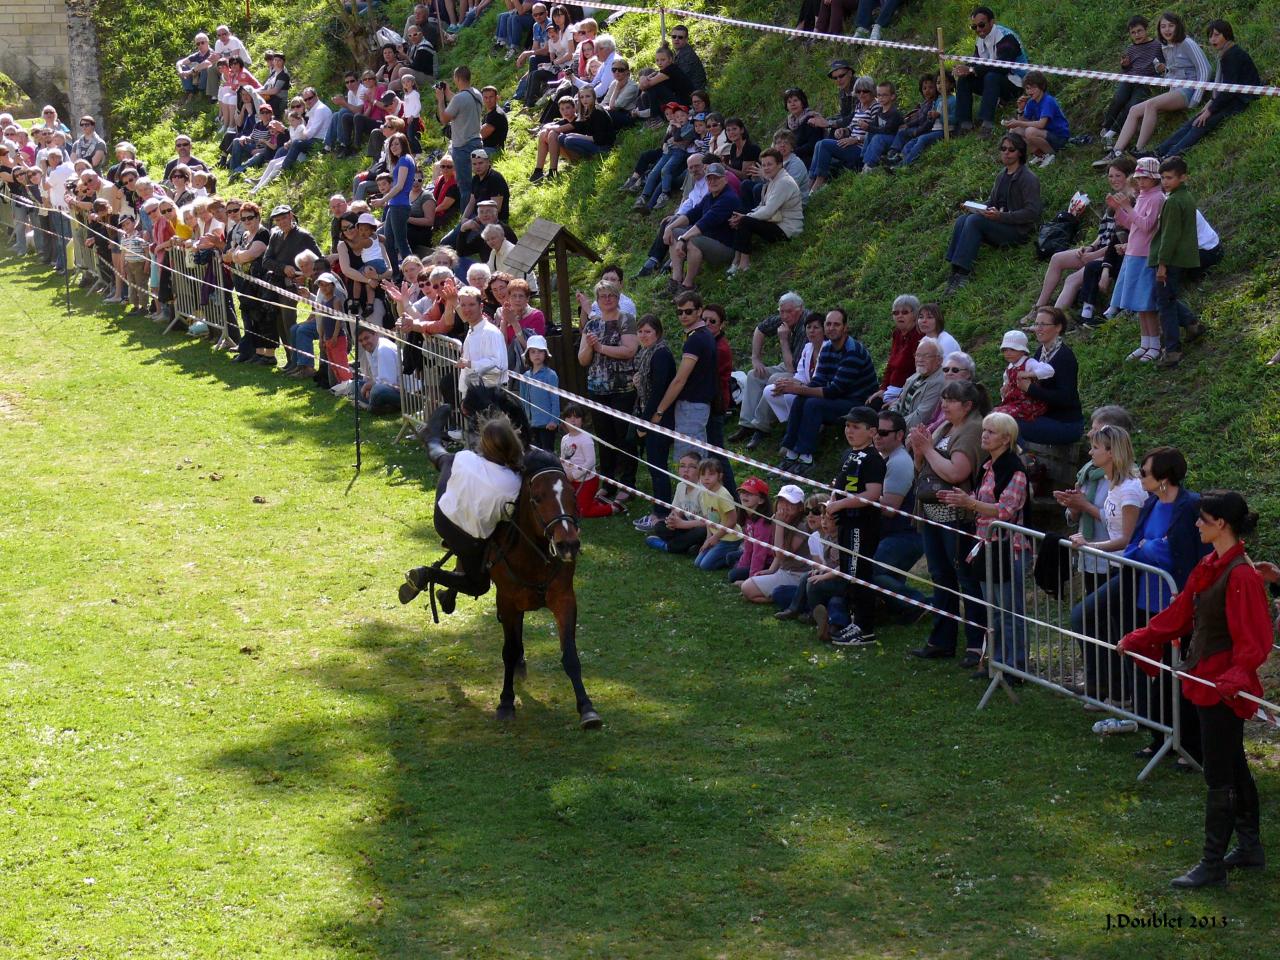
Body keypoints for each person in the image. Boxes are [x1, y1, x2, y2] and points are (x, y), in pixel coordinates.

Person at [1119, 491, 1271, 888]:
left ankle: (1213, 863)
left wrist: (1236, 678)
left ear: (1221, 524)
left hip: (1223, 687)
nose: (1197, 524)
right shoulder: (1210, 565)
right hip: (1206, 678)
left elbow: (1254, 640)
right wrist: (1141, 636)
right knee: (1233, 765)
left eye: (1203, 519)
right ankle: (1250, 848)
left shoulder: (1241, 575)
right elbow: (1180, 612)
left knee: (1220, 774)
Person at [399, 409, 525, 613]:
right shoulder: (513, 485)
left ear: (483, 443)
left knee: (444, 459)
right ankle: (428, 574)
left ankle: (431, 438)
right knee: (478, 584)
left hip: (443, 519)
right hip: (470, 539)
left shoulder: (465, 458)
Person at [938, 411, 1029, 674]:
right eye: (984, 430)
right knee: (995, 611)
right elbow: (984, 501)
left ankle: (1016, 666)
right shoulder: (988, 467)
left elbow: (1006, 510)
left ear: (1006, 438)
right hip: (987, 545)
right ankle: (997, 662)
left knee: (1010, 611)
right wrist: (962, 499)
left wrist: (971, 503)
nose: (984, 435)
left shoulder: (1015, 469)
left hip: (1009, 548)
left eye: (990, 431)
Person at [908, 380, 991, 666]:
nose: (944, 404)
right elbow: (926, 470)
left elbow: (957, 472)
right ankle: (941, 640)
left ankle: (976, 644)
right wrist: (920, 453)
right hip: (933, 514)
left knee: (966, 581)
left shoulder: (973, 429)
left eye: (951, 400)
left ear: (968, 405)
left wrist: (926, 449)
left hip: (958, 518)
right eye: (943, 399)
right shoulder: (944, 427)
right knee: (940, 577)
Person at [1066, 423, 1145, 703]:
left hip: (1130, 570)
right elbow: (1111, 522)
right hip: (1115, 567)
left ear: (1111, 453)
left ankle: (1129, 695)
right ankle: (1116, 690)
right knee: (1112, 628)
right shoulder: (1114, 486)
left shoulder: (1131, 490)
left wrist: (1090, 546)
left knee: (1086, 617)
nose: (1090, 452)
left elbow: (1126, 538)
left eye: (1096, 448)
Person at [1028, 156, 1136, 323]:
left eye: (1118, 175)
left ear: (1129, 176)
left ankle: (1052, 321)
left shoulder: (1131, 202)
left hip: (1114, 253)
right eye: (1110, 176)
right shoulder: (1113, 200)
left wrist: (1095, 255)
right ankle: (1039, 308)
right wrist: (1090, 248)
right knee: (1057, 258)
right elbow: (1103, 233)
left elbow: (1119, 239)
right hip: (1100, 249)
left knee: (1072, 280)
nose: (1113, 180)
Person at [1095, 11, 1211, 166]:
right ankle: (1116, 152)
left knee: (1151, 104)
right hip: (1175, 90)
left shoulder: (1187, 43)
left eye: (1171, 25)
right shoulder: (1166, 46)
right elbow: (1171, 71)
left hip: (1188, 90)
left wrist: (1196, 98)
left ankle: (1138, 150)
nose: (1167, 29)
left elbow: (1205, 69)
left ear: (1178, 26)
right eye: (1163, 26)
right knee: (1134, 109)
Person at [776, 308, 878, 475]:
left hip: (858, 402)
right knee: (801, 398)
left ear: (845, 327)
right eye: (828, 324)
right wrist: (799, 389)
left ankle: (806, 456)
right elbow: (819, 380)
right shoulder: (827, 348)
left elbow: (834, 390)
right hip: (839, 397)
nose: (831, 328)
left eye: (836, 324)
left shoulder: (853, 352)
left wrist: (795, 388)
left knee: (814, 404)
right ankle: (791, 451)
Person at [944, 133, 1040, 294]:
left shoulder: (1028, 178)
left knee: (974, 221)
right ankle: (955, 270)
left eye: (1011, 149)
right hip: (1000, 222)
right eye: (1003, 149)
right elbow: (992, 203)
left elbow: (1032, 213)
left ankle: (963, 274)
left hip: (1017, 231)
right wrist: (974, 207)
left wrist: (1001, 217)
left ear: (1020, 153)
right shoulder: (1001, 176)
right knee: (963, 219)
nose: (1006, 153)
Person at [825, 407, 886, 647]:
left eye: (856, 426)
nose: (849, 431)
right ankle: (855, 620)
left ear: (872, 432)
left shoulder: (872, 458)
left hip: (862, 524)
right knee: (851, 574)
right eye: (847, 425)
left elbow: (872, 493)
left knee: (860, 575)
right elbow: (840, 484)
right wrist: (832, 501)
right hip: (846, 522)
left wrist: (839, 505)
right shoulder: (849, 454)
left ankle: (865, 628)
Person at [1156, 21, 1261, 160]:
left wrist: (1211, 109)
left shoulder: (1232, 55)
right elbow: (1224, 88)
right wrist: (1210, 103)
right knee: (1193, 121)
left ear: (1227, 35)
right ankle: (1158, 152)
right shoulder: (1226, 53)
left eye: (1217, 35)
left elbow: (1229, 90)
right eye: (1210, 36)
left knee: (1201, 123)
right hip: (1231, 97)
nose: (1213, 40)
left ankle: (1170, 156)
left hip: (1241, 100)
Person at [577, 279, 638, 500]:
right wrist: (590, 347)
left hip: (622, 388)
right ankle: (608, 482)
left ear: (617, 297)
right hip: (597, 388)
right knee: (604, 438)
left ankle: (627, 484)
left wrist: (601, 347)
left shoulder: (626, 320)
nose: (607, 299)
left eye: (611, 295)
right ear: (597, 300)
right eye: (603, 296)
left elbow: (629, 350)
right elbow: (583, 360)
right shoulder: (591, 324)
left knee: (624, 438)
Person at [870, 410, 927, 620]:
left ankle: (920, 603)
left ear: (899, 435)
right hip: (892, 534)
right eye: (875, 431)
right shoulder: (882, 458)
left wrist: (861, 495)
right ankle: (899, 609)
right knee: (884, 577)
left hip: (906, 535)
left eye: (884, 433)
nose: (877, 436)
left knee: (872, 571)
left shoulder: (900, 462)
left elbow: (890, 508)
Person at [647, 289, 718, 460]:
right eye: (679, 312)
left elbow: (679, 380)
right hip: (699, 404)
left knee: (689, 459)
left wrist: (660, 410)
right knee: (696, 456)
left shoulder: (696, 339)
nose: (683, 316)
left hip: (692, 406)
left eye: (688, 311)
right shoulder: (703, 335)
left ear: (700, 311)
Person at [1149, 156, 1204, 369]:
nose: (1165, 182)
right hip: (1180, 259)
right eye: (1162, 178)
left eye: (1170, 178)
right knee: (1166, 298)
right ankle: (1192, 324)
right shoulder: (1186, 196)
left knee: (1165, 305)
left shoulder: (1172, 202)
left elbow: (1169, 236)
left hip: (1169, 260)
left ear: (1183, 177)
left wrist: (1162, 264)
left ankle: (1172, 350)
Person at [1109, 156, 1165, 362]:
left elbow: (1147, 225)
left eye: (1145, 178)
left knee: (1146, 303)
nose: (1141, 182)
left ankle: (1155, 344)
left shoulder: (1157, 198)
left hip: (1145, 254)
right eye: (1139, 178)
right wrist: (1119, 210)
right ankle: (1145, 342)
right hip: (1134, 252)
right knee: (1138, 303)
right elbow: (1132, 224)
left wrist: (1128, 208)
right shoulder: (1142, 196)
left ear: (1155, 179)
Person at [952, 6, 1029, 137]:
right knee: (965, 79)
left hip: (1016, 83)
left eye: (981, 25)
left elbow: (1001, 66)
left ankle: (987, 124)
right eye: (974, 27)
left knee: (992, 76)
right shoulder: (980, 40)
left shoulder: (1006, 37)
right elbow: (976, 62)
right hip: (994, 82)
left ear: (992, 22)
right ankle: (964, 123)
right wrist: (964, 68)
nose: (978, 30)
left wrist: (972, 69)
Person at [632, 314, 678, 533]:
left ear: (657, 333)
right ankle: (659, 510)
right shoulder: (646, 353)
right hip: (651, 414)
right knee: (654, 466)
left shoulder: (660, 354)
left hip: (660, 418)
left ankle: (661, 514)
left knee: (658, 467)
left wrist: (644, 422)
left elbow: (659, 390)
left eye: (648, 331)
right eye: (640, 331)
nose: (643, 335)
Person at [667, 162, 742, 291]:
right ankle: (676, 280)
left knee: (693, 241)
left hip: (726, 247)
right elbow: (691, 215)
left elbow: (704, 223)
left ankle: (688, 285)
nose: (712, 181)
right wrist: (669, 227)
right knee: (674, 232)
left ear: (725, 179)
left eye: (716, 178)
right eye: (709, 178)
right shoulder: (709, 196)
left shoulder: (728, 198)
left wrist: (683, 239)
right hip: (709, 239)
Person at [727, 148, 802, 275]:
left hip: (787, 229)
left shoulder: (784, 182)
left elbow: (768, 211)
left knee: (745, 221)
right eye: (763, 165)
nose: (766, 168)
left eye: (770, 164)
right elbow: (762, 206)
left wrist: (745, 217)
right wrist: (744, 216)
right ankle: (736, 260)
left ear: (779, 164)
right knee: (740, 216)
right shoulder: (774, 180)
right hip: (776, 222)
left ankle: (743, 265)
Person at [1014, 306, 1082, 445]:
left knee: (1009, 425)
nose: (1038, 328)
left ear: (1058, 327)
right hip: (1043, 415)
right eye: (1037, 324)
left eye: (1043, 324)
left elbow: (1065, 398)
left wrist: (1030, 389)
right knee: (1000, 417)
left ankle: (1024, 463)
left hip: (1065, 423)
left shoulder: (1064, 357)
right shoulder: (1041, 352)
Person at [1099, 16, 1163, 145]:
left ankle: (1113, 132)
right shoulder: (1131, 49)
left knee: (1132, 105)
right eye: (1133, 33)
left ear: (1146, 30)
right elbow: (1126, 69)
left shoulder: (1157, 45)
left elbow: (1163, 65)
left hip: (1146, 82)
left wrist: (1161, 69)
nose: (1137, 35)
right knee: (1119, 98)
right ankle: (1106, 126)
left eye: (1139, 31)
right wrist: (1125, 65)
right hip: (1129, 79)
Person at [740, 485, 810, 603]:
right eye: (782, 501)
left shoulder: (801, 527)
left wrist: (779, 525)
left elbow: (781, 554)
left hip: (797, 575)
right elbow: (777, 553)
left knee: (747, 588)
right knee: (747, 582)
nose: (785, 506)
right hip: (783, 570)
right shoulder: (776, 519)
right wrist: (771, 570)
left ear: (800, 508)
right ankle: (781, 595)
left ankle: (784, 596)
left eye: (790, 503)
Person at [763, 312, 826, 433]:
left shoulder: (828, 348)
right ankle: (793, 424)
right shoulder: (808, 348)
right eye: (808, 327)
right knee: (770, 390)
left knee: (792, 395)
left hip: (817, 392)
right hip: (803, 388)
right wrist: (786, 382)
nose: (811, 331)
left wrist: (796, 387)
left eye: (816, 327)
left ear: (824, 331)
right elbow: (800, 375)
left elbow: (821, 381)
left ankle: (807, 427)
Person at [560, 405, 626, 518]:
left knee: (581, 512)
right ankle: (596, 501)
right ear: (564, 420)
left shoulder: (585, 438)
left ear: (582, 420)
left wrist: (574, 475)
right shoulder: (564, 439)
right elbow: (563, 460)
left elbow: (590, 462)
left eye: (576, 417)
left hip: (587, 480)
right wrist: (566, 475)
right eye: (569, 417)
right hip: (570, 480)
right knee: (565, 506)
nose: (573, 420)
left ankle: (613, 508)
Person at [435, 65, 486, 209]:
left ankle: (465, 218)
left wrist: (440, 100)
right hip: (477, 142)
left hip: (462, 146)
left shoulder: (459, 99)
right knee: (478, 181)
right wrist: (448, 92)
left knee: (464, 186)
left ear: (457, 79)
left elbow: (444, 119)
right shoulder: (476, 93)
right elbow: (459, 101)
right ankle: (478, 210)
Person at [645, 452, 713, 554]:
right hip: (687, 526)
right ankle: (691, 546)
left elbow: (708, 522)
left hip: (706, 529)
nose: (686, 470)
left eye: (692, 467)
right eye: (682, 466)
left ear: (700, 471)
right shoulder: (680, 486)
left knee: (700, 532)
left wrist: (682, 524)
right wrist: (672, 520)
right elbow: (676, 511)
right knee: (660, 526)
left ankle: (669, 546)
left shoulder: (703, 491)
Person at [1001, 71, 1068, 167]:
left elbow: (1041, 124)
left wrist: (1018, 122)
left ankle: (1051, 154)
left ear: (1042, 87)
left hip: (1058, 137)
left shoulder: (1048, 101)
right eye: (1027, 88)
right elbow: (1023, 122)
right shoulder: (1031, 102)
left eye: (1033, 88)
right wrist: (1020, 109)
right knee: (1014, 131)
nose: (1030, 91)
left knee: (1030, 132)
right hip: (1043, 134)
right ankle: (1041, 155)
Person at [868, 295, 923, 409]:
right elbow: (891, 365)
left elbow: (919, 374)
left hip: (905, 392)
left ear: (915, 314)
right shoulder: (897, 334)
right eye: (896, 313)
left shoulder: (919, 335)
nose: (899, 316)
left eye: (904, 312)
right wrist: (883, 388)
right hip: (891, 389)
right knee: (868, 406)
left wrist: (901, 398)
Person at [992, 329, 1054, 420]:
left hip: (1029, 404)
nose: (1008, 353)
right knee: (993, 413)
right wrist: (1004, 393)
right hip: (1013, 404)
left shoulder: (1028, 363)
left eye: (1012, 349)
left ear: (1022, 351)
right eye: (1005, 350)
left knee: (999, 415)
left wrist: (1029, 374)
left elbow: (1049, 370)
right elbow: (1006, 386)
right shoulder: (1009, 369)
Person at [692, 459, 742, 571]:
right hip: (717, 537)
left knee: (705, 566)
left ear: (720, 476)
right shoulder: (704, 493)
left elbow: (732, 521)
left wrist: (715, 537)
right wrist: (708, 538)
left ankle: (736, 555)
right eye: (702, 474)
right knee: (697, 563)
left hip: (730, 538)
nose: (706, 478)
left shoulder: (723, 495)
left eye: (711, 474)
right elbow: (707, 519)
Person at [889, 336, 946, 429]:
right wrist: (890, 417)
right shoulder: (917, 375)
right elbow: (898, 402)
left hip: (909, 432)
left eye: (926, 356)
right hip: (898, 424)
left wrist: (893, 426)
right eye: (918, 355)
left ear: (939, 360)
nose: (920, 359)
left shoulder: (938, 382)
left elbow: (920, 418)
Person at [727, 477, 774, 583]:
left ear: (761, 500)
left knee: (733, 575)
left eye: (750, 493)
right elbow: (748, 547)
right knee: (730, 557)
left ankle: (756, 577)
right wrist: (741, 566)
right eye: (742, 492)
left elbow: (759, 554)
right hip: (754, 553)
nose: (745, 495)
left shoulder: (763, 524)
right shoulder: (748, 517)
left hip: (768, 561)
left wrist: (751, 581)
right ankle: (742, 569)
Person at [518, 335, 559, 451]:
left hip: (547, 424)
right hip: (531, 423)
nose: (537, 354)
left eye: (540, 351)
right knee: (533, 452)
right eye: (533, 352)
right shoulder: (525, 376)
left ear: (545, 354)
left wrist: (554, 420)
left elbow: (555, 400)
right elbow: (523, 400)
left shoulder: (550, 375)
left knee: (547, 452)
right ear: (528, 355)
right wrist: (524, 421)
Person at [355, 326, 402, 412]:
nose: (364, 343)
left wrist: (368, 386)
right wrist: (369, 388)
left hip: (404, 393)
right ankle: (376, 405)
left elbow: (388, 383)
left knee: (377, 391)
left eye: (366, 338)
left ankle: (371, 406)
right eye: (361, 341)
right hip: (387, 387)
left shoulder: (383, 349)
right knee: (354, 385)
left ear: (376, 334)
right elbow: (376, 377)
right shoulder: (369, 350)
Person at [668, 24, 707, 92]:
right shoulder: (677, 52)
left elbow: (677, 77)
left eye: (680, 37)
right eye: (674, 37)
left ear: (686, 39)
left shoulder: (687, 55)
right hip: (685, 89)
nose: (676, 39)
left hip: (693, 94)